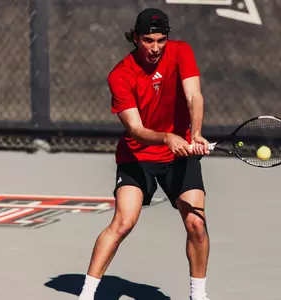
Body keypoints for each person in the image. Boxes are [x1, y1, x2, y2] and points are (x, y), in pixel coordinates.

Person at [77, 7, 212, 300]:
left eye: (161, 40)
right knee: (124, 223)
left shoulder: (181, 52)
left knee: (196, 224)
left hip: (179, 155)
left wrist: (196, 133)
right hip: (137, 157)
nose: (155, 47)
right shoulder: (120, 76)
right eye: (149, 40)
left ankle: (198, 296)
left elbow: (194, 95)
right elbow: (136, 129)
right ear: (136, 38)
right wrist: (166, 137)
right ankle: (87, 294)